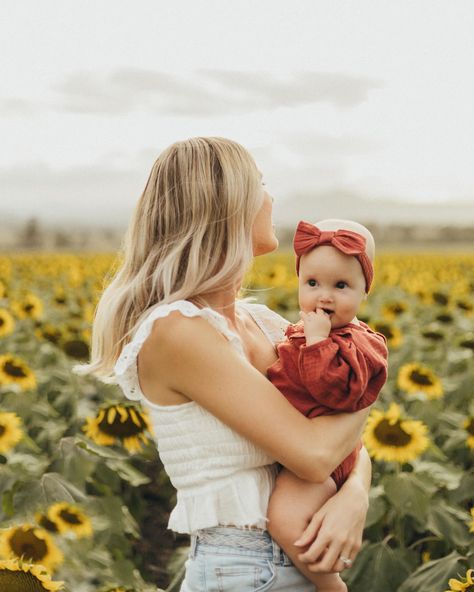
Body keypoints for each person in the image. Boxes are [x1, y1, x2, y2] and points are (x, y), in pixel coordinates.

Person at [75, 137, 372, 591]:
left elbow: (337, 434)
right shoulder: (177, 331)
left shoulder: (266, 322)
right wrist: (369, 373)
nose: (271, 198)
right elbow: (315, 454)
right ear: (229, 204)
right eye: (261, 183)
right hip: (245, 570)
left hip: (296, 560)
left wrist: (355, 495)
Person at [266, 219, 388, 592]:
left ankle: (330, 584)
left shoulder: (361, 344)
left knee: (284, 520)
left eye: (341, 286)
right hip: (308, 445)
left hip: (326, 457)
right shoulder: (304, 329)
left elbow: (338, 396)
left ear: (364, 291)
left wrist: (317, 345)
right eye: (312, 283)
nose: (324, 297)